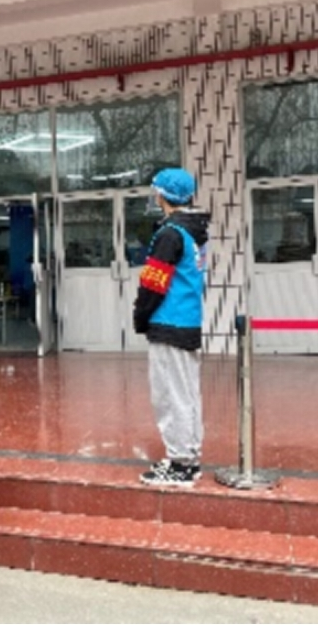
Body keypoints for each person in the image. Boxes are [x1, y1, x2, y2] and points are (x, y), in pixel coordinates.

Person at [133, 168, 210, 487]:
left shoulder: (169, 234)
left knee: (170, 396)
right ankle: (188, 456)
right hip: (187, 321)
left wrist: (140, 315)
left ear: (163, 195)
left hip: (168, 322)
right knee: (187, 393)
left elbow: (154, 283)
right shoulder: (194, 231)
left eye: (156, 191)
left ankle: (180, 464)